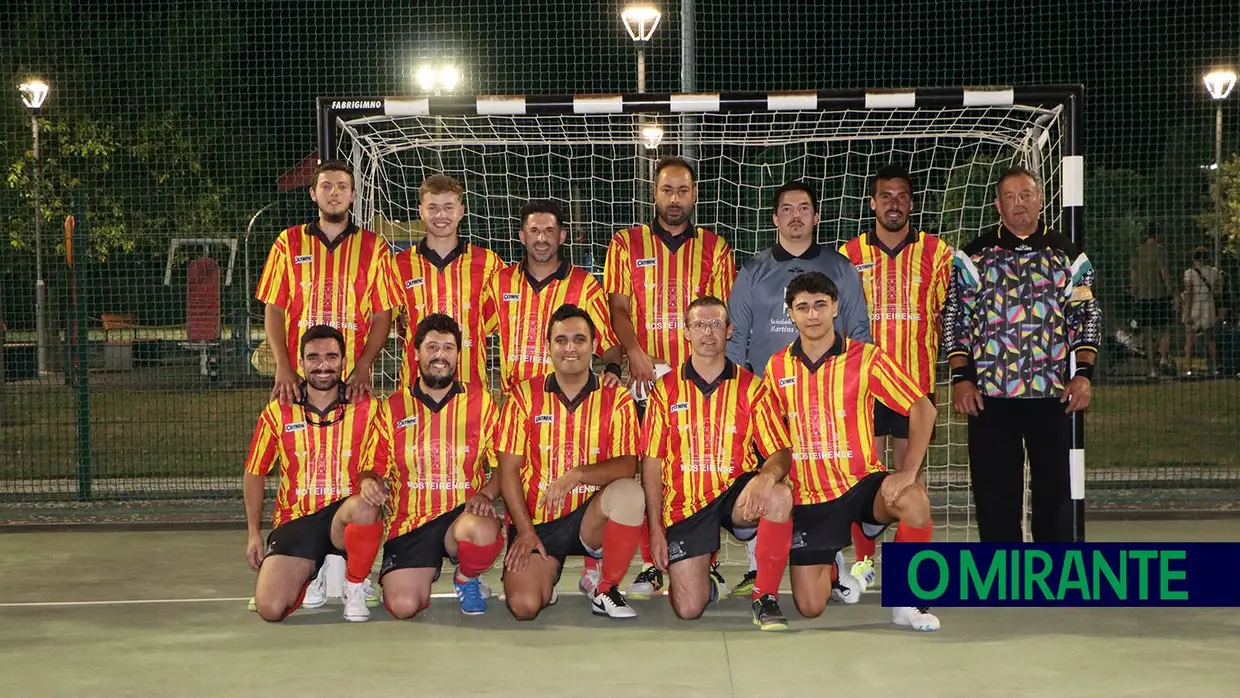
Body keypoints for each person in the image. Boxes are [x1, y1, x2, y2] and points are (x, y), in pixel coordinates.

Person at [763, 272, 940, 631]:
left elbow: (924, 408)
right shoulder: (776, 366)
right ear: (791, 314)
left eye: (820, 305)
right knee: (810, 607)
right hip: (810, 498)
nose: (812, 314)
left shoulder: (867, 357)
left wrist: (907, 470)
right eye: (803, 307)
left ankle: (907, 600)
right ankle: (834, 563)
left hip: (861, 486)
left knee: (914, 500)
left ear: (835, 308)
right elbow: (769, 431)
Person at [725, 179, 871, 597]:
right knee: (766, 482)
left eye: (803, 208)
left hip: (826, 401)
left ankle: (832, 565)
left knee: (825, 481)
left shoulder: (840, 267)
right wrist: (737, 397)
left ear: (816, 216)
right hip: (768, 400)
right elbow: (737, 339)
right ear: (774, 218)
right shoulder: (753, 270)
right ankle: (758, 568)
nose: (795, 216)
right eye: (786, 209)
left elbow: (858, 331)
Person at [943, 166, 1101, 543]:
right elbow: (954, 318)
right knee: (995, 492)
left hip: (1053, 396)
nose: (1019, 204)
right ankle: (1002, 573)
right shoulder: (973, 256)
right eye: (1010, 197)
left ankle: (1054, 572)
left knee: (1056, 492)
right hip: (991, 398)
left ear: (1040, 199)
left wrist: (1083, 375)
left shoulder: (1069, 256)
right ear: (998, 204)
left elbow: (1087, 315)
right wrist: (961, 378)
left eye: (1026, 195)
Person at [604, 155, 736, 599]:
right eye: (667, 190)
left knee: (703, 469)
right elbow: (618, 310)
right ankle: (650, 563)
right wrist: (635, 353)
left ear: (694, 195)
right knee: (648, 470)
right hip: (646, 379)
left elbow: (718, 318)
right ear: (654, 193)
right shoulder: (626, 243)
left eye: (683, 191)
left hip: (700, 384)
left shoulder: (716, 248)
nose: (674, 199)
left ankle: (708, 561)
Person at [641, 296, 797, 631]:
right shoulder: (664, 391)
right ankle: (706, 578)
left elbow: (781, 451)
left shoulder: (752, 387)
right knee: (687, 608)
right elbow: (651, 464)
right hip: (685, 506)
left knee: (780, 495)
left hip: (733, 495)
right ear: (686, 332)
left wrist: (767, 476)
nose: (708, 332)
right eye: (699, 324)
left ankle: (765, 595)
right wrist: (654, 528)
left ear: (729, 331)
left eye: (715, 324)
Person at [838, 164, 952, 587]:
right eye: (885, 195)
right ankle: (864, 566)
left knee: (910, 481)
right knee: (861, 478)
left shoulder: (938, 254)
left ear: (912, 203)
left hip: (915, 388)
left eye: (902, 196)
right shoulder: (848, 255)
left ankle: (908, 577)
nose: (894, 203)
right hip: (862, 390)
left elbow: (950, 318)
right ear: (872, 202)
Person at [496, 304, 647, 620]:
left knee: (630, 493)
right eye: (560, 340)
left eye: (579, 340)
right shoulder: (523, 396)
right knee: (524, 606)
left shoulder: (615, 397)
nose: (570, 348)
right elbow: (508, 471)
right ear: (548, 347)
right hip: (539, 524)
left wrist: (577, 474)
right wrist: (524, 531)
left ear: (594, 346)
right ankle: (544, 578)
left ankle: (606, 589)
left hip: (589, 520)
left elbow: (628, 466)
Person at [360, 314, 504, 618]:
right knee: (402, 607)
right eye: (432, 347)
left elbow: (504, 465)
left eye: (449, 348)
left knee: (483, 530)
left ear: (458, 355)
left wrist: (486, 495)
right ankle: (419, 569)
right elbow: (372, 467)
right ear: (416, 353)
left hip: (461, 515)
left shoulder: (480, 401)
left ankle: (467, 577)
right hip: (411, 523)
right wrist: (370, 481)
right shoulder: (393, 407)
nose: (441, 356)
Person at [243, 325, 385, 622]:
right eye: (314, 357)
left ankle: (355, 585)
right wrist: (253, 534)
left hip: (342, 517)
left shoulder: (368, 407)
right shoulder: (278, 409)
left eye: (331, 357)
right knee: (270, 609)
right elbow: (255, 472)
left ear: (344, 362)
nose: (323, 365)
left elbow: (378, 464)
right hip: (296, 520)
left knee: (364, 505)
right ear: (301, 362)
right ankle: (310, 571)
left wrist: (372, 481)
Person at [256, 160, 400, 404]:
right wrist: (282, 366)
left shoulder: (374, 248)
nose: (334, 192)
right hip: (297, 379)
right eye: (326, 186)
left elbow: (382, 315)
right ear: (313, 193)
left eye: (342, 187)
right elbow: (274, 308)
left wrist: (364, 366)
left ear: (353, 195)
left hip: (353, 379)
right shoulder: (288, 242)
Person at [488, 199, 624, 393]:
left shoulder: (585, 285)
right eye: (534, 231)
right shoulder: (500, 282)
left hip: (568, 405)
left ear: (562, 236)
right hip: (515, 403)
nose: (541, 238)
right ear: (522, 236)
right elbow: (475, 330)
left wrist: (613, 370)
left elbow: (609, 344)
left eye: (549, 231)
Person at [393, 174, 504, 387]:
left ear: (461, 211)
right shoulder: (398, 265)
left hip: (471, 389)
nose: (441, 215)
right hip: (414, 388)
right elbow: (389, 319)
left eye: (448, 207)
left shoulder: (489, 263)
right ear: (420, 212)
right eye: (432, 207)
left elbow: (496, 323)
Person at [1130, 228, 1174, 378]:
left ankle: (1152, 369)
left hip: (1143, 296)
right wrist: (1171, 291)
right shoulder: (1160, 250)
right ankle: (1163, 357)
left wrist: (1134, 289)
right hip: (1159, 295)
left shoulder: (1138, 251)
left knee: (1147, 333)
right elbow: (1164, 271)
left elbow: (1134, 272)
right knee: (1164, 329)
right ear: (1158, 235)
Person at [1181, 247, 1222, 376]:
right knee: (1209, 339)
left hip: (1194, 307)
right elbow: (1218, 292)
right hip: (1208, 307)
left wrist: (1187, 312)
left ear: (1194, 259)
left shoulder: (1189, 273)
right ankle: (1215, 366)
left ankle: (1188, 367)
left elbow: (1189, 292)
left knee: (1190, 339)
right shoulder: (1214, 272)